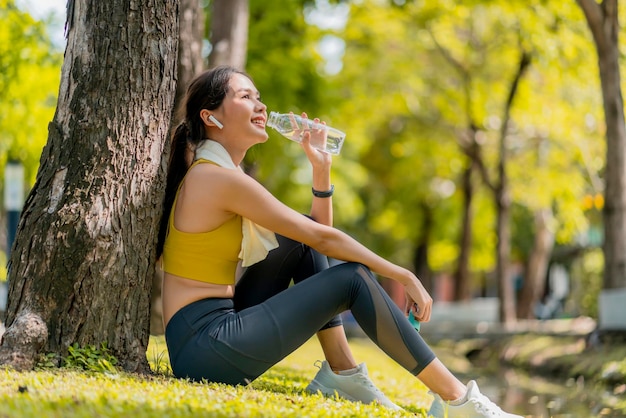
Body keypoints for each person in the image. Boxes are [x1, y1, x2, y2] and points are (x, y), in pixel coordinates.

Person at [156, 65, 523, 418]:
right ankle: (459, 401)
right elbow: (323, 238)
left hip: (213, 329)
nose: (261, 106)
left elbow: (312, 241)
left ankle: (342, 375)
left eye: (259, 96)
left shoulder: (219, 173)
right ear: (211, 117)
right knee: (351, 278)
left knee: (298, 238)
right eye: (245, 96)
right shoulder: (218, 179)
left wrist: (321, 171)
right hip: (204, 347)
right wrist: (401, 274)